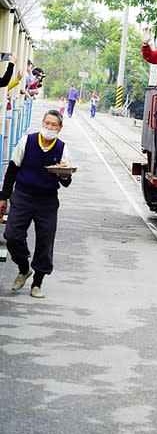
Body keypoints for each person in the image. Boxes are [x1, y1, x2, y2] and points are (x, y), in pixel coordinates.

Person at [0, 110, 73, 298]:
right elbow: (12, 170)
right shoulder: (28, 141)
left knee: (45, 241)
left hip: (47, 200)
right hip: (23, 195)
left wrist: (64, 174)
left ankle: (37, 283)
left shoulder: (62, 148)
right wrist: (4, 196)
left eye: (54, 125)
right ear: (42, 123)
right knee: (12, 235)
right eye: (47, 123)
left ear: (60, 128)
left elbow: (66, 181)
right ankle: (24, 268)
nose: (49, 127)